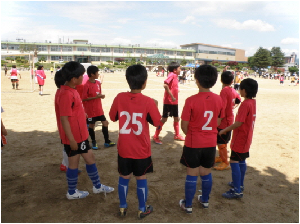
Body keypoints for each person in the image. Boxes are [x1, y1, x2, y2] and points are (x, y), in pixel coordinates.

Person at [55, 61, 114, 199]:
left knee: (90, 158)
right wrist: (71, 140)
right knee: (74, 164)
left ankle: (97, 186)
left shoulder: (71, 90)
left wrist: (83, 114)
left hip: (80, 136)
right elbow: (64, 118)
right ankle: (71, 192)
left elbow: (73, 110)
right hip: (74, 138)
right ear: (74, 79)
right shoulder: (65, 93)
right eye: (81, 75)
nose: (84, 77)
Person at [109, 64, 161, 219]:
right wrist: (155, 105)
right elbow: (157, 122)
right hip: (141, 149)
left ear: (127, 80)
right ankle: (141, 208)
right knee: (141, 178)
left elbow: (112, 117)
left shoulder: (119, 97)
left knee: (124, 177)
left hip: (124, 148)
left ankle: (122, 207)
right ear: (144, 82)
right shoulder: (148, 101)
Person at [179, 65, 224, 213]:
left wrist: (192, 134)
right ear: (214, 81)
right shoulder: (219, 100)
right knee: (206, 173)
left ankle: (188, 204)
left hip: (193, 142)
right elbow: (218, 122)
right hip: (210, 143)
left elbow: (184, 125)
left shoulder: (191, 100)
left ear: (196, 80)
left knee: (192, 173)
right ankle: (205, 200)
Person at [219, 78, 258, 199]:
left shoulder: (245, 104)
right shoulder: (252, 102)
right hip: (247, 138)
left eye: (240, 89)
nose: (239, 91)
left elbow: (239, 123)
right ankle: (239, 184)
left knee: (234, 161)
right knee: (242, 160)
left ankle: (237, 190)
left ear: (244, 90)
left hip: (240, 138)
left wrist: (224, 130)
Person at [54, 70, 82, 174]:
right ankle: (66, 165)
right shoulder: (64, 94)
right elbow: (65, 117)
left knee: (68, 148)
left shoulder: (62, 92)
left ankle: (65, 164)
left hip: (68, 128)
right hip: (69, 129)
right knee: (69, 148)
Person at [82, 65, 115, 150]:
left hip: (99, 109)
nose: (98, 74)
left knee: (105, 123)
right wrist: (95, 97)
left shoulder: (98, 83)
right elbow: (84, 98)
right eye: (97, 73)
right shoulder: (86, 85)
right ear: (92, 74)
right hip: (90, 110)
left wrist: (101, 96)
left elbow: (98, 94)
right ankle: (93, 141)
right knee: (92, 125)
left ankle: (107, 141)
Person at [214, 71, 241, 171]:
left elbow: (222, 106)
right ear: (232, 81)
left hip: (224, 121)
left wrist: (218, 120)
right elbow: (239, 99)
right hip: (229, 119)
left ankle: (225, 162)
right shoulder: (233, 90)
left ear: (221, 80)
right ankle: (221, 157)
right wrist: (233, 107)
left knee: (221, 141)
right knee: (222, 140)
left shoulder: (224, 91)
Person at [153, 62, 185, 144]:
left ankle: (177, 135)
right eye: (179, 68)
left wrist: (176, 90)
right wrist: (172, 96)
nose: (180, 70)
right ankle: (156, 136)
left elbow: (171, 86)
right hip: (169, 102)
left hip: (174, 102)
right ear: (174, 70)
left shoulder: (175, 76)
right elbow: (165, 85)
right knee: (164, 119)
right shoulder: (172, 74)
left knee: (176, 118)